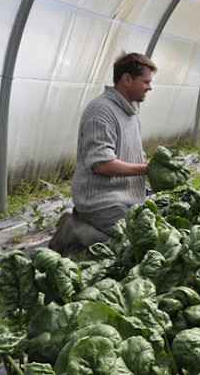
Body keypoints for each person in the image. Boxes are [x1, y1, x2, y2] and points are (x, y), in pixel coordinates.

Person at [49, 51, 157, 254]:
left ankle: (88, 229)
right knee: (131, 245)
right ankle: (73, 229)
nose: (150, 87)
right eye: (146, 82)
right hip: (102, 201)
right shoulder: (101, 112)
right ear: (127, 79)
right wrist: (146, 169)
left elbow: (130, 153)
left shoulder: (130, 111)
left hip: (127, 198)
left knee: (148, 234)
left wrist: (152, 164)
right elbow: (101, 163)